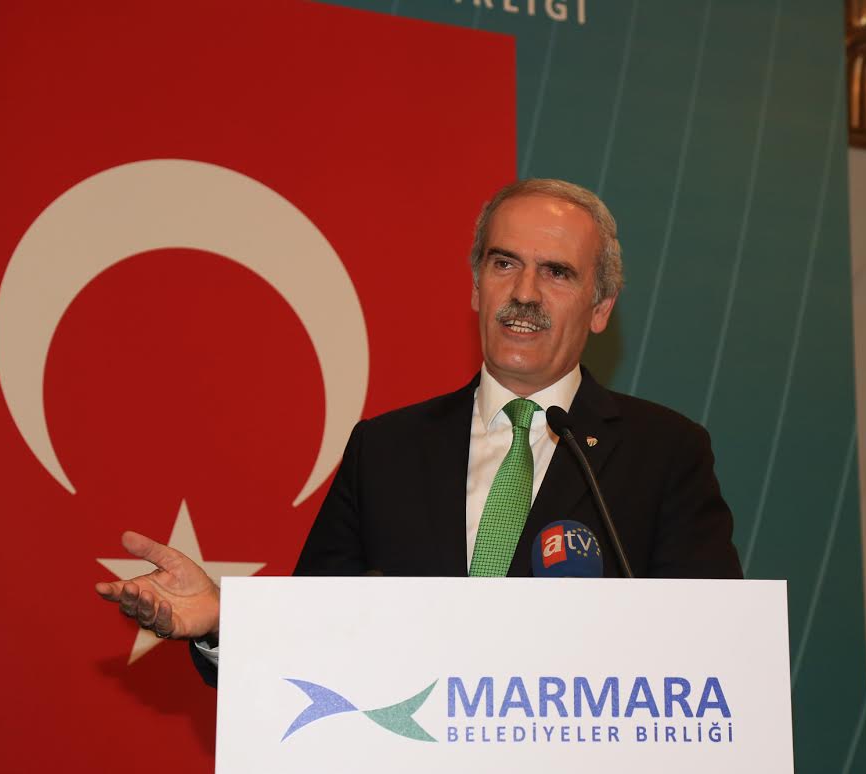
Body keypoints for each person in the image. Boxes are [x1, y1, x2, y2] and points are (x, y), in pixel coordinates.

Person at [96, 179, 742, 680]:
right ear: (476, 287)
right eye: (504, 264)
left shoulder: (665, 454)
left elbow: (714, 656)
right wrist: (224, 622)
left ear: (600, 309)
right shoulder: (385, 451)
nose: (524, 293)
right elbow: (313, 638)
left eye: (556, 272)